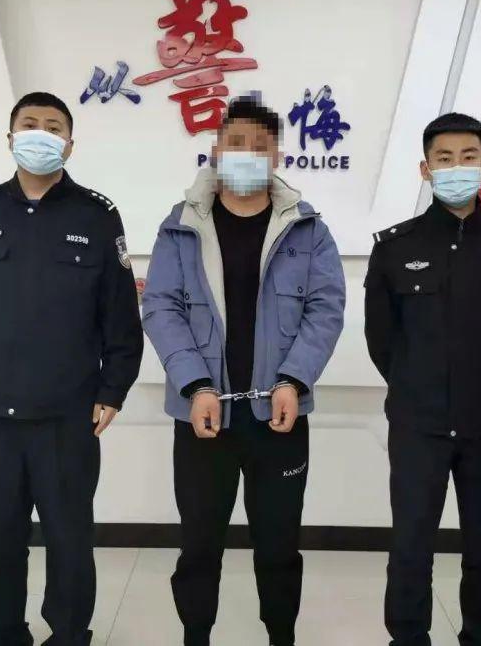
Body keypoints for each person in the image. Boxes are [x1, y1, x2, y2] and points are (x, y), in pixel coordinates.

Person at [0, 91, 143, 646]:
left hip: (68, 414)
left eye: (54, 128)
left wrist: (113, 388)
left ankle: (69, 634)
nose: (41, 135)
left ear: (70, 145)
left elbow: (120, 313)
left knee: (70, 539)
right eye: (30, 124)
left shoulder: (96, 215)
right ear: (10, 138)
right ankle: (1, 634)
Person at [141, 95, 346, 646]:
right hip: (202, 416)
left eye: (260, 146)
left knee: (278, 545)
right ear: (216, 150)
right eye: (237, 144)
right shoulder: (181, 225)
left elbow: (326, 309)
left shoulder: (307, 229)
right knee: (199, 544)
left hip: (280, 416)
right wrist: (195, 385)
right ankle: (196, 635)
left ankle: (281, 634)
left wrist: (295, 380)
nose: (247, 154)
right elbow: (161, 307)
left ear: (276, 157)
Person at [364, 113, 481, 646]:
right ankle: (407, 637)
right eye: (444, 159)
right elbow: (382, 342)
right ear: (426, 169)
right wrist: (419, 388)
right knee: (411, 546)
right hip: (418, 425)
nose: (457, 167)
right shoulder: (395, 248)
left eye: (469, 157)